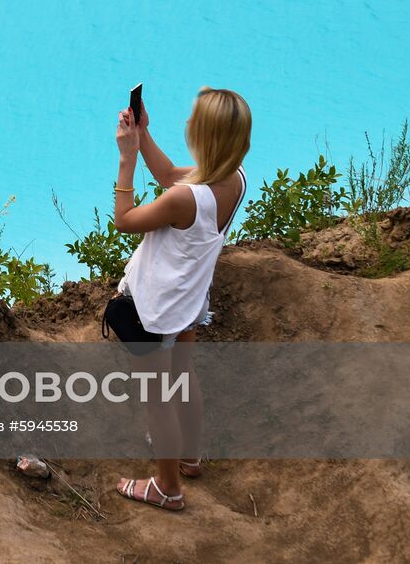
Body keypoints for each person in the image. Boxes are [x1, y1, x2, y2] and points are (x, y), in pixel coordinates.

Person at [109, 87, 250, 510]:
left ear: (205, 136)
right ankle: (189, 456)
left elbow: (125, 221)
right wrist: (144, 133)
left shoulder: (184, 199)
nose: (186, 123)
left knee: (157, 399)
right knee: (183, 378)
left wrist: (127, 159)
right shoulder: (234, 178)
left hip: (158, 308)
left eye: (193, 120)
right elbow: (171, 174)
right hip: (190, 299)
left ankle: (167, 488)